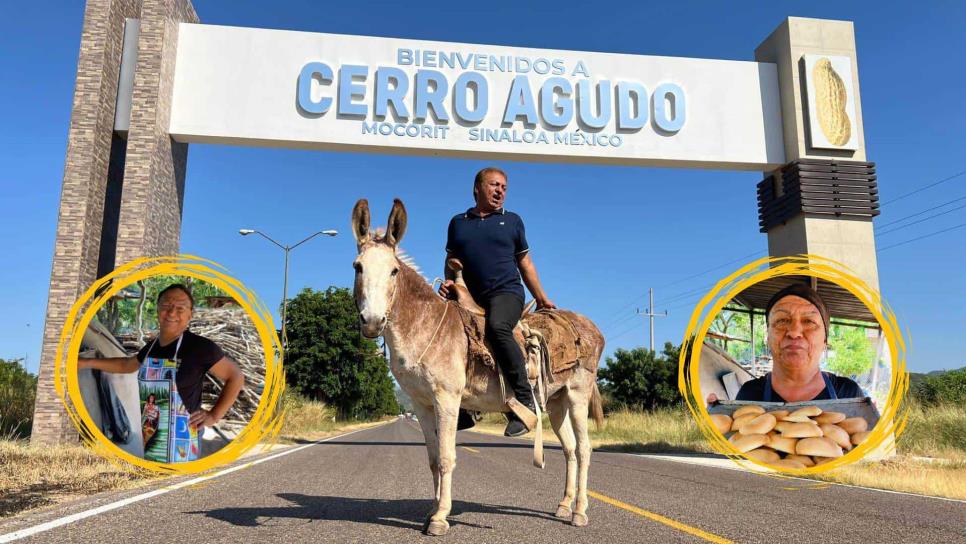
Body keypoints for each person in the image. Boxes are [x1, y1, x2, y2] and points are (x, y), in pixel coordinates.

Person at [438, 167, 556, 437]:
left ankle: (525, 403)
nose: (500, 190)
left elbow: (524, 263)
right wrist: (450, 283)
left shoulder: (512, 220)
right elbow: (451, 262)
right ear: (477, 188)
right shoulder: (458, 223)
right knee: (451, 335)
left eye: (504, 187)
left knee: (498, 327)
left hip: (507, 293)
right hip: (470, 296)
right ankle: (466, 410)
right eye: (494, 185)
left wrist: (540, 296)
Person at [80, 284, 245, 456]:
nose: (172, 313)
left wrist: (214, 416)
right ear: (158, 310)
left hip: (183, 439)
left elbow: (236, 377)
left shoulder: (200, 347)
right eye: (166, 306)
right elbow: (128, 365)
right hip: (151, 436)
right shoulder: (152, 347)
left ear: (190, 315)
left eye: (180, 308)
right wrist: (87, 362)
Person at [732, 283, 863, 402]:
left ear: (825, 340)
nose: (794, 332)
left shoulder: (849, 393)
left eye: (809, 321)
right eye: (782, 320)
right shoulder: (749, 394)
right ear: (768, 337)